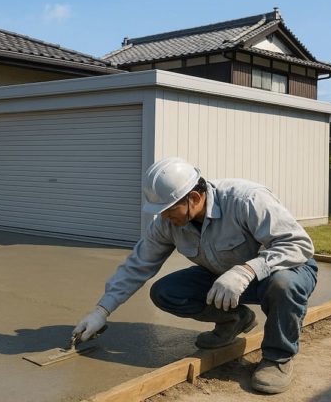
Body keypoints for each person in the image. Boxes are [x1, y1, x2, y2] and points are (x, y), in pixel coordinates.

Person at [72, 157, 317, 394]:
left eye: (169, 210)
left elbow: (298, 245)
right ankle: (234, 319)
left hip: (284, 269)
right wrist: (102, 310)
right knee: (166, 292)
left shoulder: (246, 199)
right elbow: (138, 265)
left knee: (283, 285)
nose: (164, 217)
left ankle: (278, 358)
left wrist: (248, 269)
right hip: (224, 277)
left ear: (194, 197)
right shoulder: (167, 223)